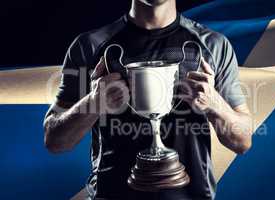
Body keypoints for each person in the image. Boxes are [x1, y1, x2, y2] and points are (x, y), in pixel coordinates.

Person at [43, 0, 253, 199]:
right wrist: (93, 102)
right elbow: (54, 140)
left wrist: (214, 103)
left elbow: (243, 141)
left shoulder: (212, 46)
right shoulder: (89, 47)